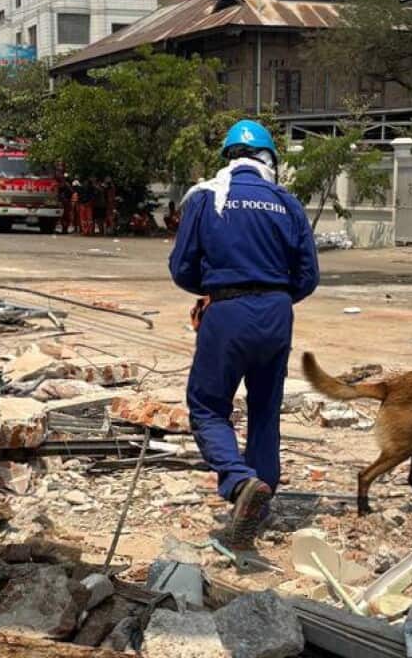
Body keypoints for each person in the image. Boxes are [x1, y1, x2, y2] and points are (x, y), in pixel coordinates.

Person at [168, 119, 319, 547]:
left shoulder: (205, 197)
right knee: (265, 409)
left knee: (207, 405)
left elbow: (181, 268)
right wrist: (273, 296)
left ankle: (237, 483)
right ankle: (261, 501)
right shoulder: (286, 202)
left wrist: (218, 287)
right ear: (270, 159)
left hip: (226, 311)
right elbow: (308, 275)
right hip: (276, 313)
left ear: (228, 157)